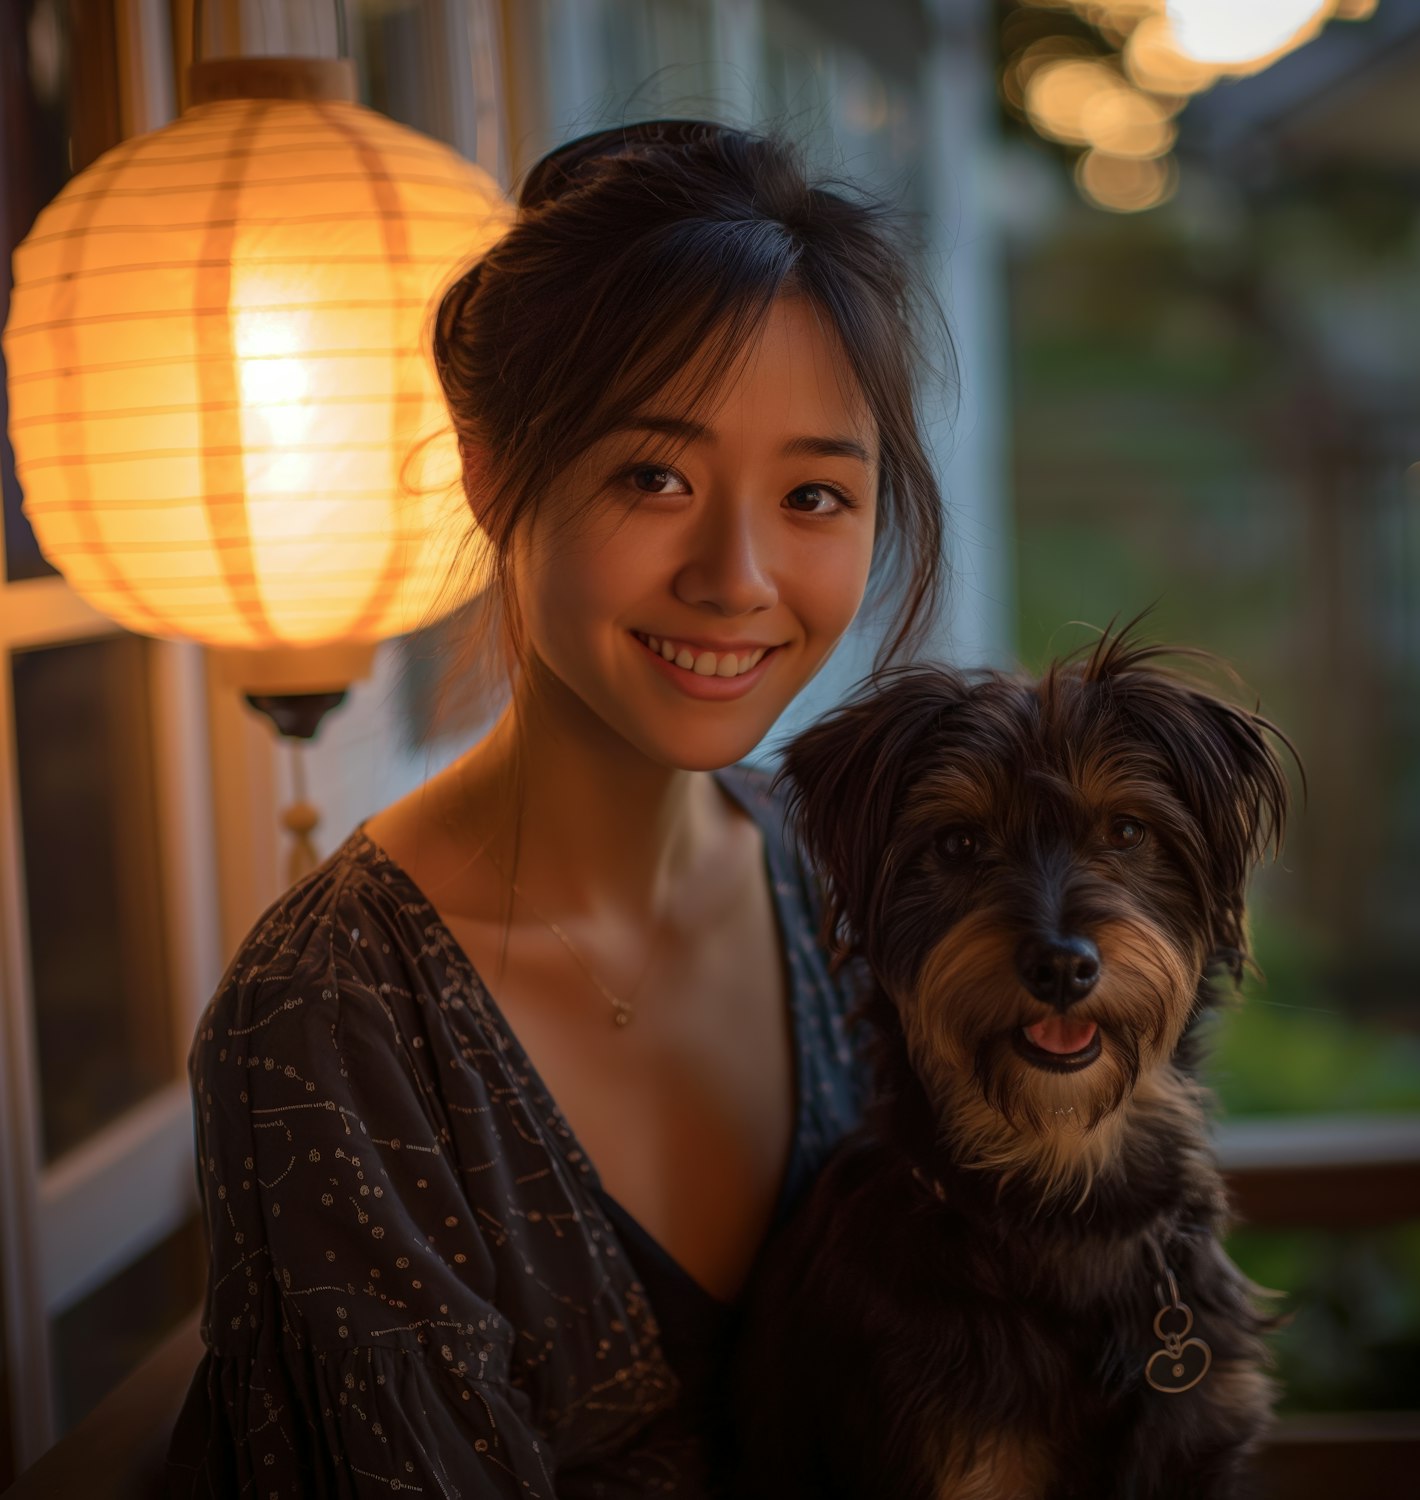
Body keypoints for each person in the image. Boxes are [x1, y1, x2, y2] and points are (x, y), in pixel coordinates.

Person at [166, 119, 952, 1497]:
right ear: (489, 466)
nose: (738, 576)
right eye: (656, 477)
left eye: (815, 493)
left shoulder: (842, 880)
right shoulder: (333, 1013)